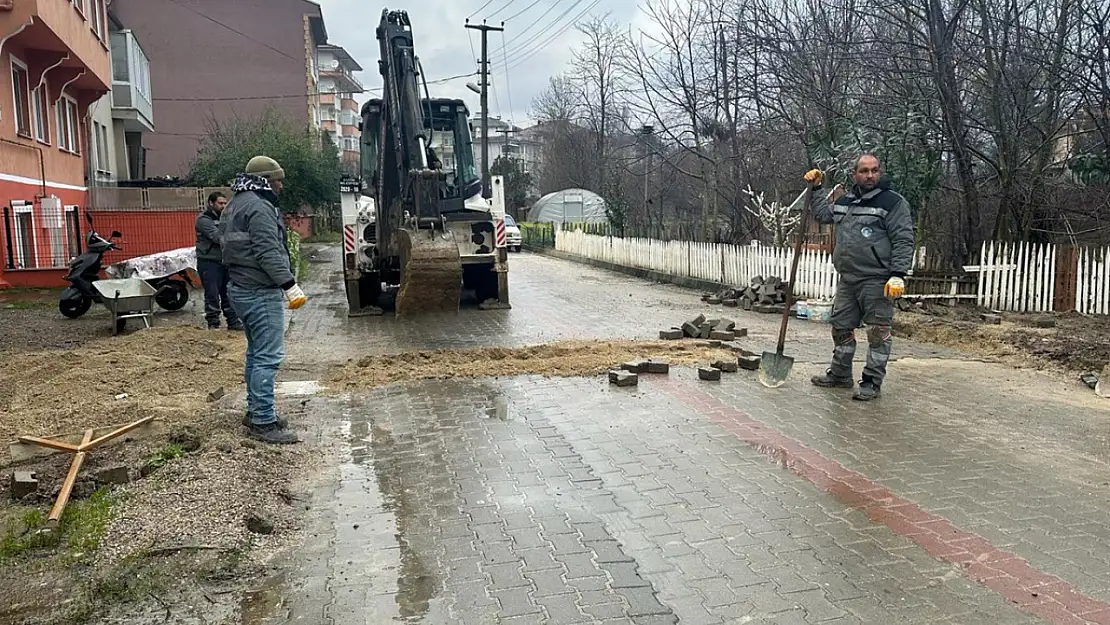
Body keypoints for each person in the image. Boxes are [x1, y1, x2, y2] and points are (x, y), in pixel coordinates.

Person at [804, 153, 914, 401]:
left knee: (877, 333)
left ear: (880, 172)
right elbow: (822, 214)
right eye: (864, 171)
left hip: (877, 280)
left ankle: (872, 382)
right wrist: (817, 187)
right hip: (848, 279)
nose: (870, 175)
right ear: (854, 174)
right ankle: (841, 374)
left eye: (874, 170)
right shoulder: (847, 201)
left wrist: (897, 274)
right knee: (841, 327)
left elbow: (903, 240)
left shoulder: (892, 203)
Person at [219, 156, 307, 444]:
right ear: (266, 181)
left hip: (239, 288)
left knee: (256, 354)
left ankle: (256, 410)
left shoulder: (234, 204)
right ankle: (263, 421)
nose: (280, 186)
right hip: (259, 290)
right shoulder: (259, 207)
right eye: (278, 180)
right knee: (268, 357)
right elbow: (267, 251)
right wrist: (289, 284)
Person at [195, 192, 242, 331]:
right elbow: (217, 238)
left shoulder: (226, 218)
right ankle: (213, 323)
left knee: (228, 293)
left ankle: (233, 322)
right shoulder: (204, 220)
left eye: (225, 203)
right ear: (211, 203)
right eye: (220, 203)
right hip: (209, 262)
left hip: (224, 261)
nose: (223, 206)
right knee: (212, 294)